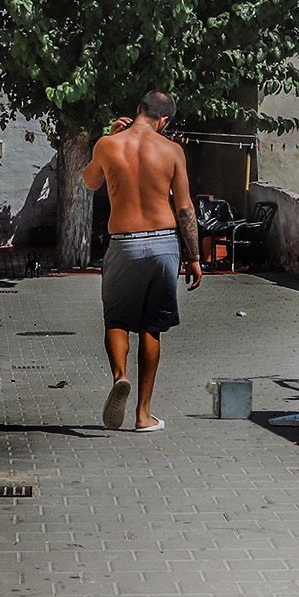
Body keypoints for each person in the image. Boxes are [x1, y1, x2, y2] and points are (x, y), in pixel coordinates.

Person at [82, 91, 202, 432]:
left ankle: (120, 376)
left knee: (116, 320)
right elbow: (184, 208)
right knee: (153, 326)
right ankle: (143, 414)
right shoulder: (172, 151)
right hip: (164, 244)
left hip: (124, 243)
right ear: (163, 120)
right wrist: (194, 258)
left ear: (138, 111)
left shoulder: (108, 144)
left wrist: (109, 136)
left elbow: (90, 182)